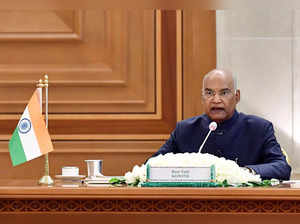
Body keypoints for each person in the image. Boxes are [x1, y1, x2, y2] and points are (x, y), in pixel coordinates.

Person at [151, 69, 291, 180]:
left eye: (224, 93)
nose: (216, 100)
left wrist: (244, 172)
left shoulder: (259, 128)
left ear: (237, 96)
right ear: (202, 97)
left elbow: (281, 167)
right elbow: (151, 166)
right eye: (209, 93)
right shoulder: (185, 129)